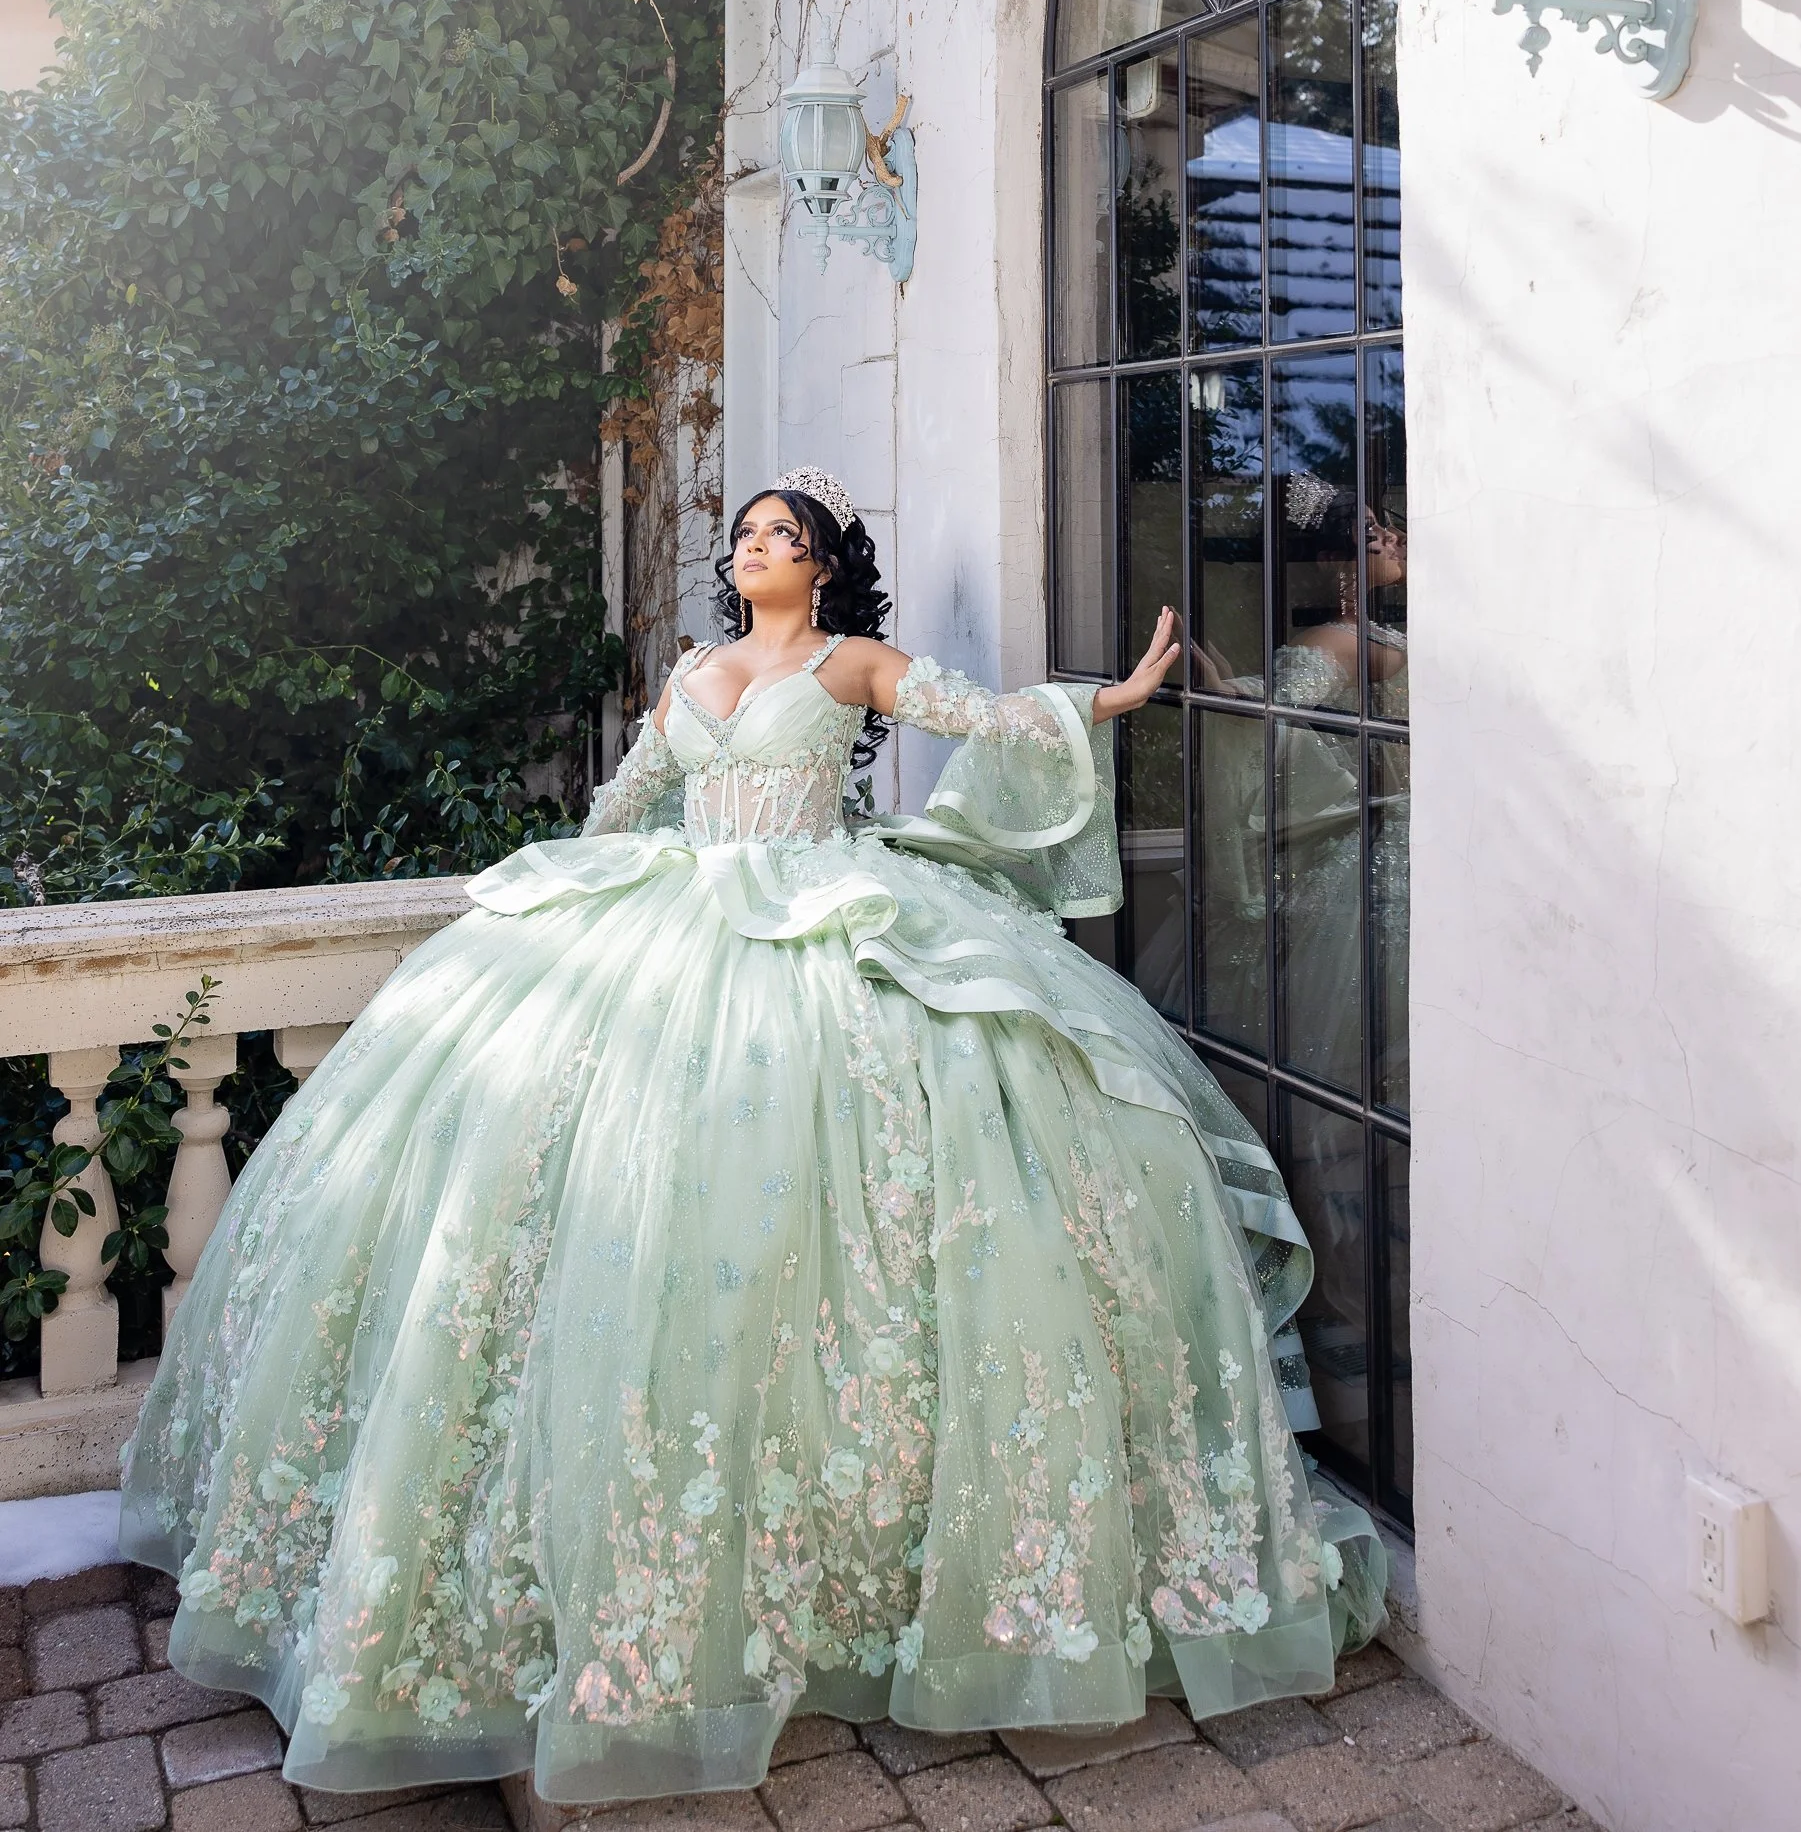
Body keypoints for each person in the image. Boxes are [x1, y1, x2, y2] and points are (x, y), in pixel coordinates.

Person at [121, 467, 1385, 1810]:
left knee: (860, 1194)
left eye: (782, 536)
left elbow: (986, 719)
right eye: (745, 537)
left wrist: (1106, 704)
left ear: (826, 564)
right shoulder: (693, 671)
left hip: (822, 910)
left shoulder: (852, 663)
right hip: (678, 915)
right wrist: (559, 892)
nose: (755, 550)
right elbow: (628, 800)